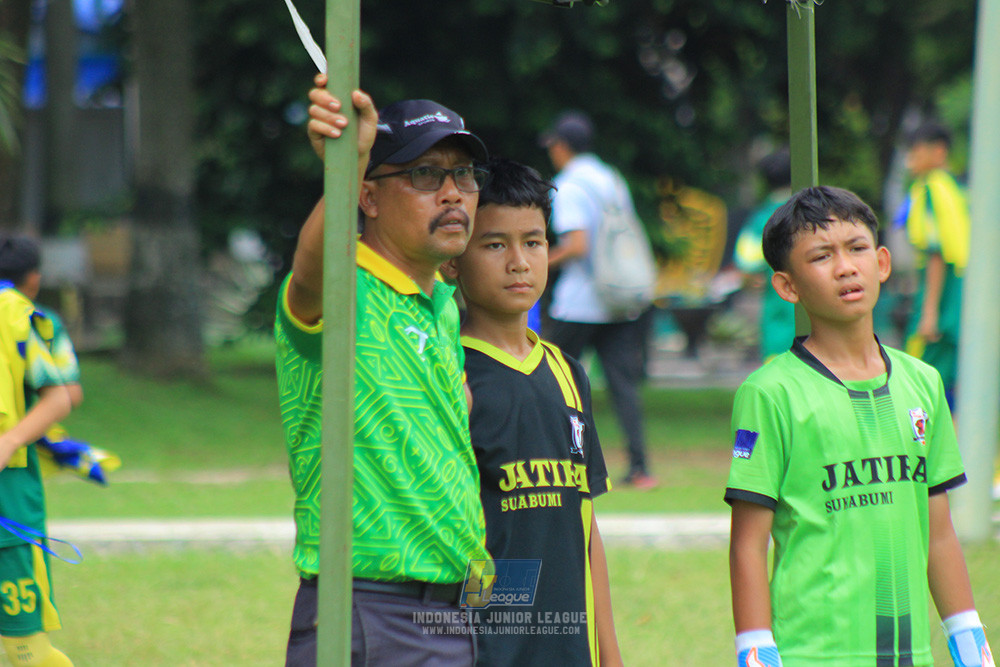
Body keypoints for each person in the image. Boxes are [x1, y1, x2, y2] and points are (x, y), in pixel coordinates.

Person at [725, 186, 993, 667]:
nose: (845, 267)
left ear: (882, 262)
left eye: (857, 248)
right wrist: (754, 650)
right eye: (821, 256)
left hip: (910, 655)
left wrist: (968, 640)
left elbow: (939, 533)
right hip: (812, 653)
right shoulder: (770, 393)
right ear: (788, 286)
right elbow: (747, 544)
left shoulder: (923, 383)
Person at [278, 73, 491, 666]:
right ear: (368, 198)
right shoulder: (346, 288)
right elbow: (311, 269)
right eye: (425, 175)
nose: (452, 194)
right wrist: (346, 165)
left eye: (464, 175)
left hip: (453, 612)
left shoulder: (441, 306)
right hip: (372, 611)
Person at [440, 157, 623, 666]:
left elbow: (585, 524)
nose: (519, 262)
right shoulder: (449, 374)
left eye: (534, 242)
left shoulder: (568, 373)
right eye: (495, 244)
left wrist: (609, 651)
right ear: (453, 260)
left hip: (572, 649)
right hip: (487, 647)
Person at [540, 110, 656, 489]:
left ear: (562, 147)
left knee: (552, 380)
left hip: (579, 302)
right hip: (619, 299)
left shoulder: (569, 184)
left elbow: (577, 244)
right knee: (624, 386)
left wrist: (536, 261)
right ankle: (640, 468)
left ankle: (557, 460)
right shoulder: (611, 178)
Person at [0, 236, 76, 667]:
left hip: (8, 500)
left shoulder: (13, 314)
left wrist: (11, 439)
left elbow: (63, 395)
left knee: (26, 651)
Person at [901, 121, 969, 410]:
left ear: (938, 151)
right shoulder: (959, 188)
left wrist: (929, 312)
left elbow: (936, 253)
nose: (909, 161)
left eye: (915, 152)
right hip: (962, 296)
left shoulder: (929, 189)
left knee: (918, 377)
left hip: (941, 299)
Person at [734, 148, 795, 363]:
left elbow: (746, 268)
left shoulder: (761, 219)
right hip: (819, 330)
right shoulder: (814, 214)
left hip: (778, 327)